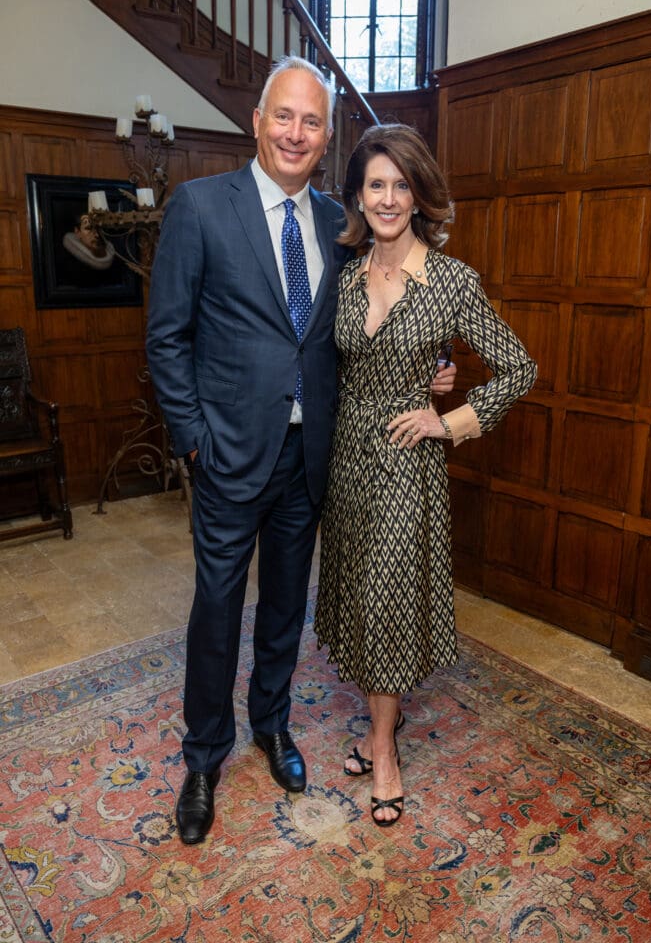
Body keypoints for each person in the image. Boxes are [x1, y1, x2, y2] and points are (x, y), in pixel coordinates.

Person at [145, 58, 456, 846]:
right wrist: (193, 440)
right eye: (283, 116)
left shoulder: (339, 224)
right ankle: (204, 757)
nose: (295, 132)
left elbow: (379, 314)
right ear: (257, 122)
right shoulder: (199, 207)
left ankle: (271, 724)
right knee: (218, 609)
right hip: (226, 455)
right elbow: (166, 337)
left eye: (311, 121)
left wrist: (432, 365)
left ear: (325, 138)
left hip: (311, 455)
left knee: (286, 605)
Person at [314, 123, 537, 827]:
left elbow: (519, 368)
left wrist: (450, 420)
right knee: (360, 599)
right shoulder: (344, 277)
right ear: (358, 195)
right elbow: (332, 366)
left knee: (387, 600)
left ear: (418, 196)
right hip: (347, 462)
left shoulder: (450, 281)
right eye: (375, 184)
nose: (387, 198)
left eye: (400, 185)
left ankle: (381, 747)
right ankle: (384, 720)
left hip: (407, 466)